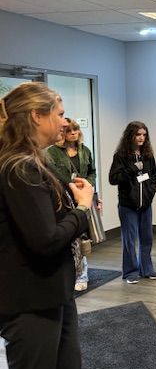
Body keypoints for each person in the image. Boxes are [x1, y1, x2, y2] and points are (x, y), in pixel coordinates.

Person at [0, 82, 93, 369]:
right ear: (37, 116)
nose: (65, 123)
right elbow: (45, 240)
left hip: (53, 292)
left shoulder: (32, 161)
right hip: (30, 301)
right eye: (60, 114)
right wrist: (82, 209)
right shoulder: (18, 167)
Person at [47, 118, 98, 292]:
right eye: (69, 130)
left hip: (83, 196)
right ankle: (72, 274)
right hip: (65, 198)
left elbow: (92, 172)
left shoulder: (85, 151)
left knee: (83, 237)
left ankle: (82, 274)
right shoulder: (52, 152)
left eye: (75, 130)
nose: (73, 133)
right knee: (71, 238)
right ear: (63, 133)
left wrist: (87, 185)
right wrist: (71, 186)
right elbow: (53, 176)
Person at [109, 121, 156, 284]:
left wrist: (151, 192)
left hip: (145, 204)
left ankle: (147, 269)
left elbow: (153, 176)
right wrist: (130, 170)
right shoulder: (121, 156)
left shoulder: (148, 155)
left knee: (147, 238)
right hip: (127, 205)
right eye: (138, 134)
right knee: (129, 240)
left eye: (144, 135)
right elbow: (113, 179)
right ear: (130, 136)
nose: (141, 138)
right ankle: (130, 272)